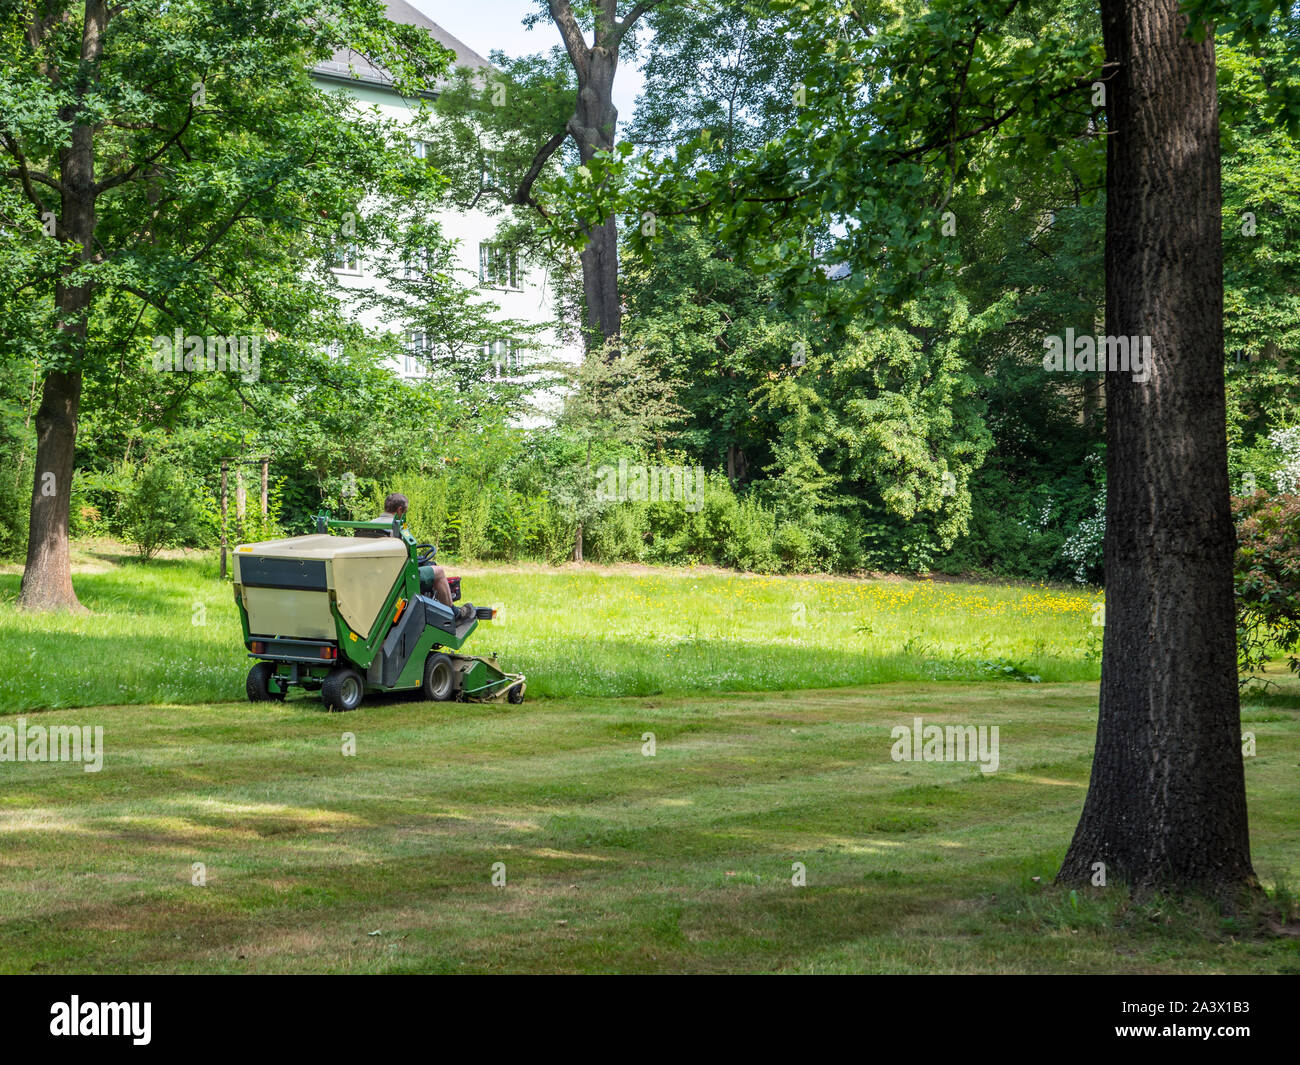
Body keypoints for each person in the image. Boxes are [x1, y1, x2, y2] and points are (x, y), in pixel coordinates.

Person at [371, 493, 474, 621]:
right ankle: (454, 613)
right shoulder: (395, 529)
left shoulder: (370, 525)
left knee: (429, 568)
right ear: (399, 510)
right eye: (405, 512)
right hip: (399, 579)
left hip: (375, 575)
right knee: (439, 572)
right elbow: (408, 557)